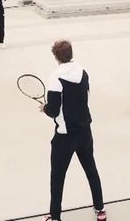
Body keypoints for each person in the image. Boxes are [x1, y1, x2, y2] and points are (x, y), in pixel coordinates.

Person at [40, 40, 106, 221]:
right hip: (85, 131)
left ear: (56, 57)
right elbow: (84, 97)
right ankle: (100, 210)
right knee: (91, 169)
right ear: (71, 54)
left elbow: (53, 109)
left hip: (65, 136)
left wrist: (44, 108)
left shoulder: (56, 77)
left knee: (57, 177)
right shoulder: (83, 72)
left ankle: (55, 217)